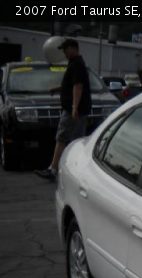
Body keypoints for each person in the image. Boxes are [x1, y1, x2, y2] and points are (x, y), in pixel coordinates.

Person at [35, 38, 91, 181]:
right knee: (76, 140)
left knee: (62, 138)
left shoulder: (77, 64)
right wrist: (58, 89)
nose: (64, 53)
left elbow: (78, 86)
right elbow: (72, 84)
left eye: (66, 50)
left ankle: (53, 169)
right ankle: (73, 171)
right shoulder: (75, 63)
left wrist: (74, 107)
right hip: (77, 108)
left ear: (73, 48)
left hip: (73, 109)